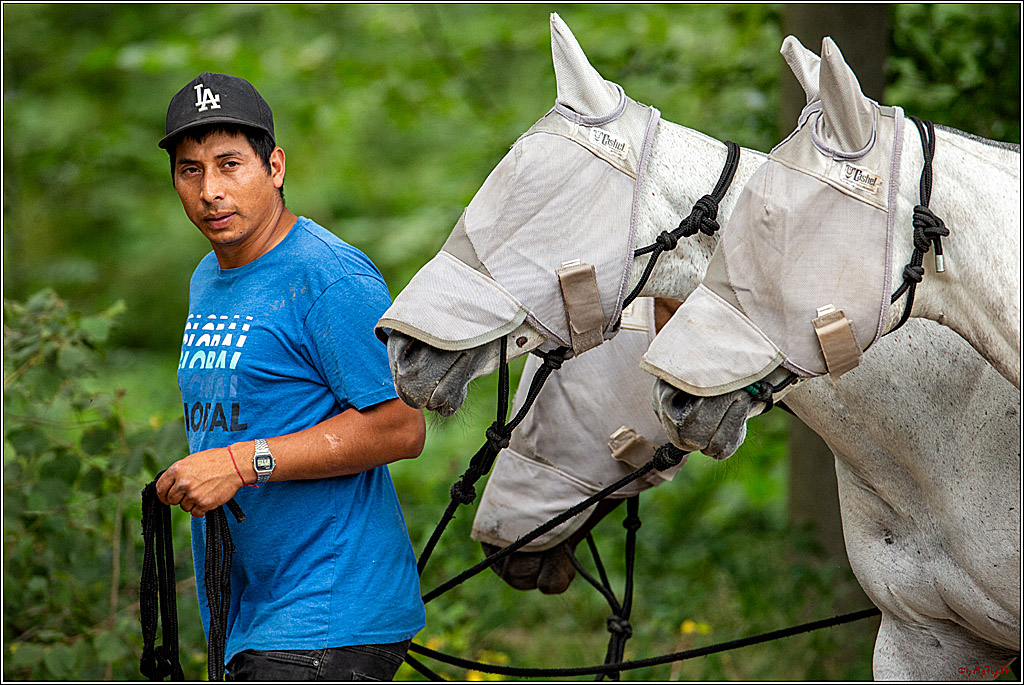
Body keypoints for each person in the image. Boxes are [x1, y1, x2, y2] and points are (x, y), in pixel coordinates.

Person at [155, 72, 427, 681]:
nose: (210, 191)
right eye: (190, 170)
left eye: (230, 165)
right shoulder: (208, 276)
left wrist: (238, 463)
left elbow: (401, 429)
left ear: (274, 166)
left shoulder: (329, 277)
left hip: (327, 613)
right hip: (249, 609)